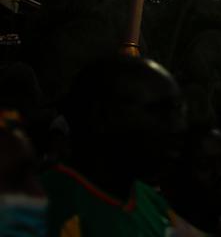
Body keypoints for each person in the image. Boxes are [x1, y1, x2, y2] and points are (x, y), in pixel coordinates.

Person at [42, 56, 187, 235]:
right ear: (102, 116)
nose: (178, 127)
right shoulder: (47, 208)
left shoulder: (151, 201)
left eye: (178, 111)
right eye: (159, 111)